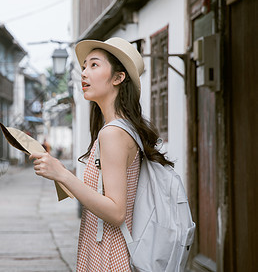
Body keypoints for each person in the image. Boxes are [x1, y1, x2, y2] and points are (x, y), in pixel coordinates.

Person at [29, 37, 173, 271]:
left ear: (118, 77)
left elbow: (116, 212)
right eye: (84, 66)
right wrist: (60, 172)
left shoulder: (114, 133)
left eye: (94, 65)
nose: (84, 73)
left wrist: (64, 176)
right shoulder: (120, 128)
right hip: (105, 248)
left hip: (109, 254)